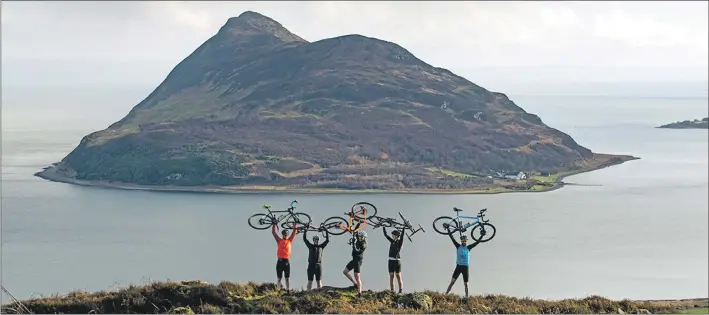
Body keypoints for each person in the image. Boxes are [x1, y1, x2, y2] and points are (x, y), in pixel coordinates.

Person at [271, 224, 297, 291]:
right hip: (279, 261)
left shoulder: (290, 241)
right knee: (279, 278)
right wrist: (274, 224)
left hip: (286, 262)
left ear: (287, 235)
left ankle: (288, 290)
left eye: (286, 234)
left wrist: (295, 224)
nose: (285, 235)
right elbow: (274, 233)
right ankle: (278, 291)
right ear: (282, 235)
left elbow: (294, 232)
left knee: (287, 278)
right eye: (284, 234)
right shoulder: (279, 240)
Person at [343, 227, 367, 293]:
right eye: (360, 237)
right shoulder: (359, 240)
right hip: (354, 260)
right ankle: (355, 284)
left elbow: (357, 250)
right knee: (345, 272)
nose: (360, 238)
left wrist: (353, 244)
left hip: (358, 261)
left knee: (357, 277)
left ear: (364, 237)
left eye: (361, 237)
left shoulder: (363, 244)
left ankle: (359, 292)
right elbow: (355, 232)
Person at [383, 227, 405, 293]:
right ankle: (392, 291)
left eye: (393, 235)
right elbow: (386, 235)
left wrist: (403, 229)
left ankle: (400, 291)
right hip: (390, 261)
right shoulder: (392, 241)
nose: (392, 236)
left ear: (396, 236)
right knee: (391, 276)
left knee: (398, 276)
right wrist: (383, 227)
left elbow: (402, 237)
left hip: (397, 261)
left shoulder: (399, 242)